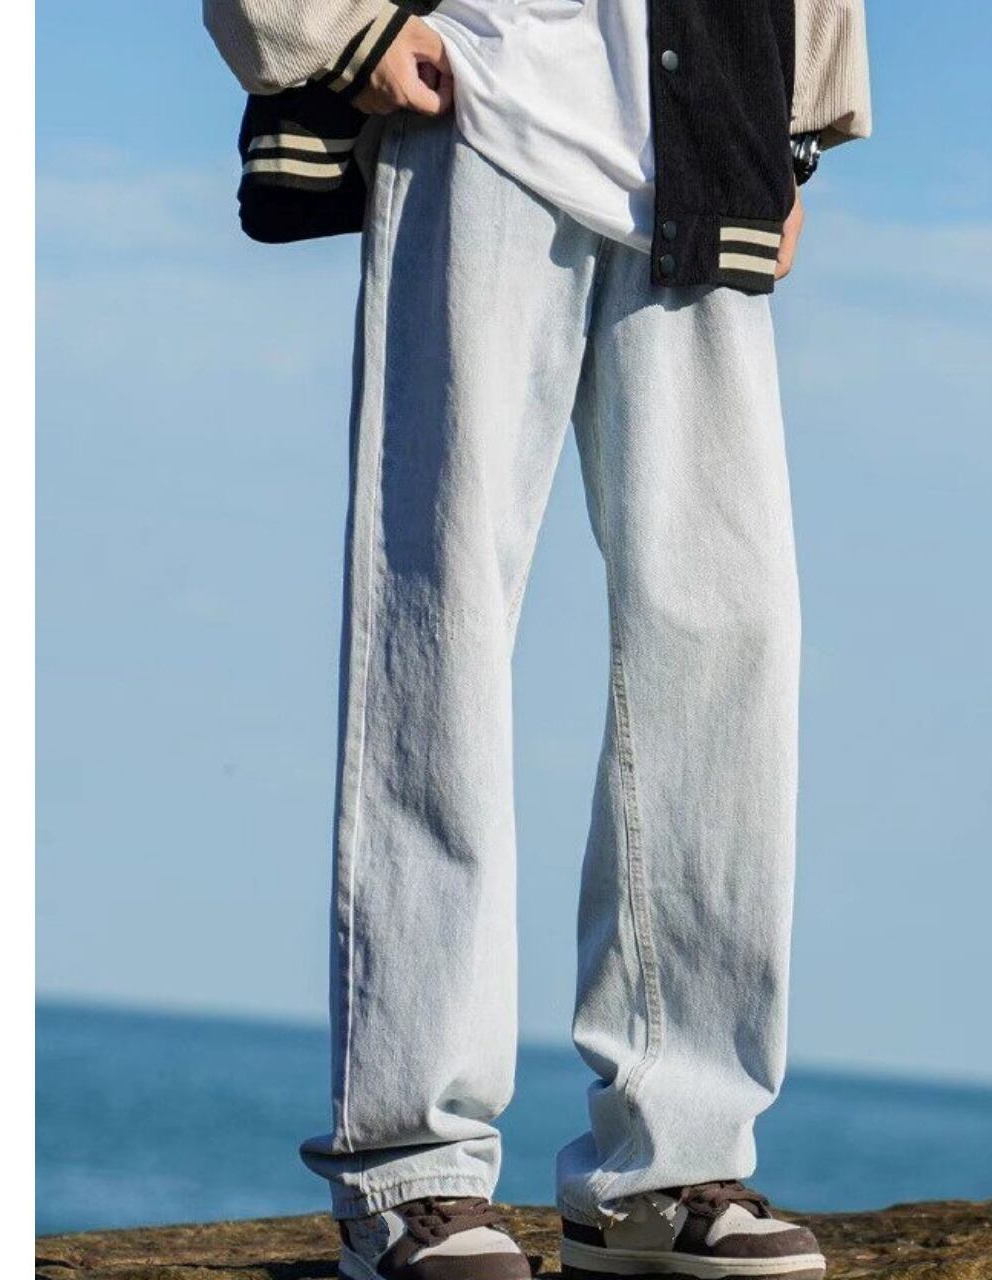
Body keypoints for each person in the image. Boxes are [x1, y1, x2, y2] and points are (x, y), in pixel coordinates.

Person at [204, 3, 871, 1278]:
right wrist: (325, 24)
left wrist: (790, 126)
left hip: (700, 124)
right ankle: (413, 1166)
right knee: (435, 631)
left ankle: (665, 1163)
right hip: (474, 101)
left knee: (727, 645)